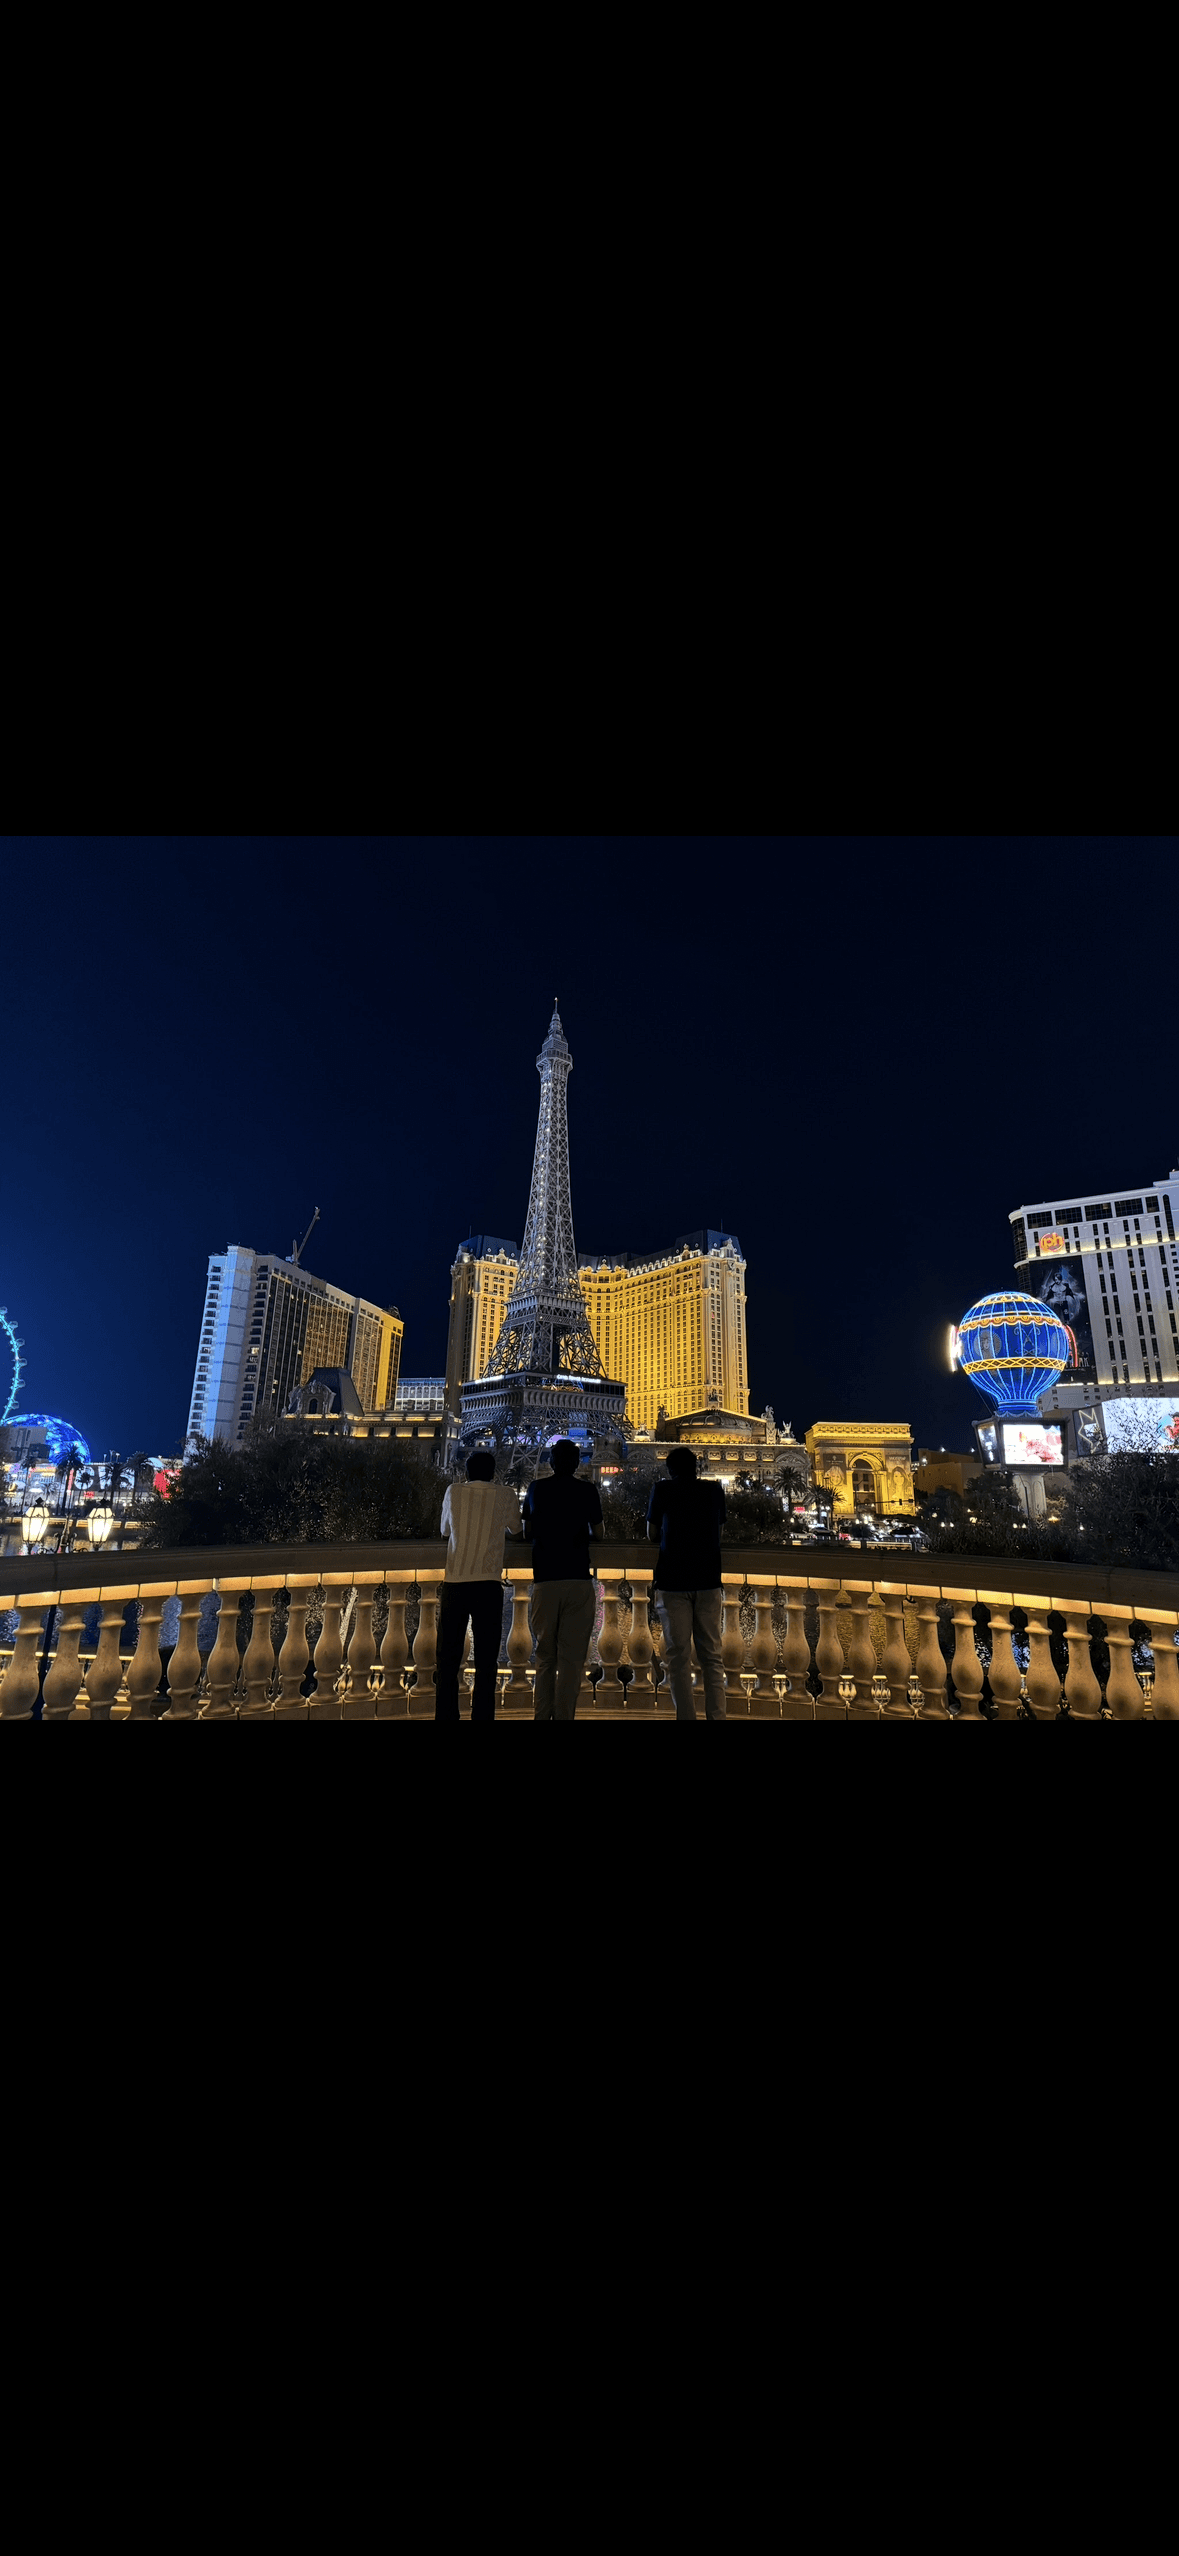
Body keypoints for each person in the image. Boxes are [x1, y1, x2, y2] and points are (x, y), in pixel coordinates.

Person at [436, 1452, 523, 1722]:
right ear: (493, 1473)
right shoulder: (505, 1494)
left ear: (466, 1473)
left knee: (448, 1661)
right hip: (488, 1586)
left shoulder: (454, 1491)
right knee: (487, 1663)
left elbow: (445, 1532)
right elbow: (517, 1530)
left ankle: (447, 1716)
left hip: (456, 1584)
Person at [522, 1439, 602, 1719]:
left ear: (551, 1463)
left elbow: (527, 1530)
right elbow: (600, 1533)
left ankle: (542, 1715)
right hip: (578, 1579)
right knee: (571, 1661)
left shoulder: (536, 1488)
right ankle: (564, 1715)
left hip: (545, 1579)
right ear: (578, 1464)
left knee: (545, 1657)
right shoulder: (588, 1490)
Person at [646, 1446, 726, 1721]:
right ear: (697, 1467)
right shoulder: (715, 1490)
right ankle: (717, 1717)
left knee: (678, 1658)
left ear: (670, 1470)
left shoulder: (663, 1490)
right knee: (712, 1657)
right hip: (708, 1579)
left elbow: (651, 1533)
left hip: (673, 1580)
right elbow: (718, 1533)